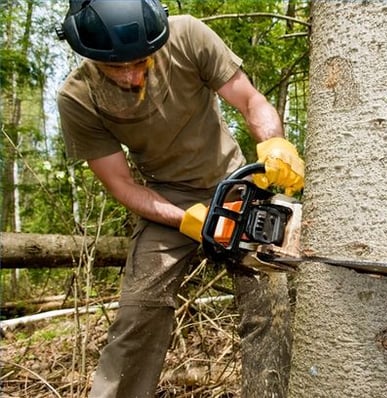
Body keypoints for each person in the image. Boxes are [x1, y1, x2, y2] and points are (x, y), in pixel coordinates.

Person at [56, 1, 304, 397]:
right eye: (116, 67)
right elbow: (121, 185)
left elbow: (250, 101)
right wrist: (184, 219)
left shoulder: (187, 35)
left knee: (268, 306)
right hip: (163, 199)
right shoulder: (78, 98)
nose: (131, 75)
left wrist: (273, 142)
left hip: (234, 182)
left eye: (139, 61)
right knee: (140, 308)